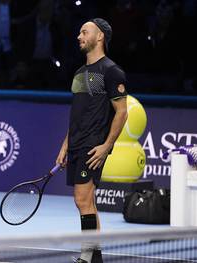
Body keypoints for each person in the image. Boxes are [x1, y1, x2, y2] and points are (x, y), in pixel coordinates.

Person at [55, 18, 128, 263]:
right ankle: (95, 257)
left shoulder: (111, 71)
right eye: (79, 31)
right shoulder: (80, 73)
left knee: (82, 199)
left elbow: (121, 112)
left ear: (100, 37)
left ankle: (87, 257)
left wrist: (107, 146)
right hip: (76, 143)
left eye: (84, 31)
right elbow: (78, 112)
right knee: (87, 202)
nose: (79, 36)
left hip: (93, 145)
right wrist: (66, 144)